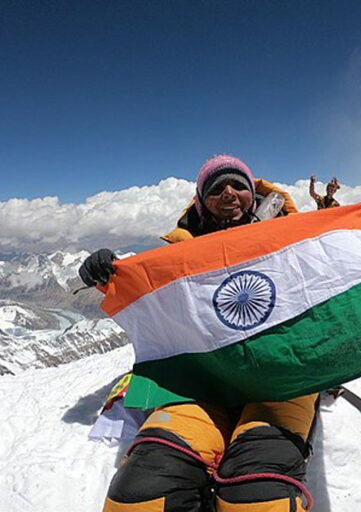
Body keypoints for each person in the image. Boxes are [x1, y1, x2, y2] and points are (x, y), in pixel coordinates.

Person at [81, 155, 316, 512]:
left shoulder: (298, 240)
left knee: (257, 496)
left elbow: (333, 273)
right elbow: (153, 300)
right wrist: (108, 278)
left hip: (283, 375)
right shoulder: (180, 256)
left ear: (253, 193)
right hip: (203, 383)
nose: (229, 193)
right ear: (202, 200)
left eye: (238, 184)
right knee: (138, 496)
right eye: (217, 188)